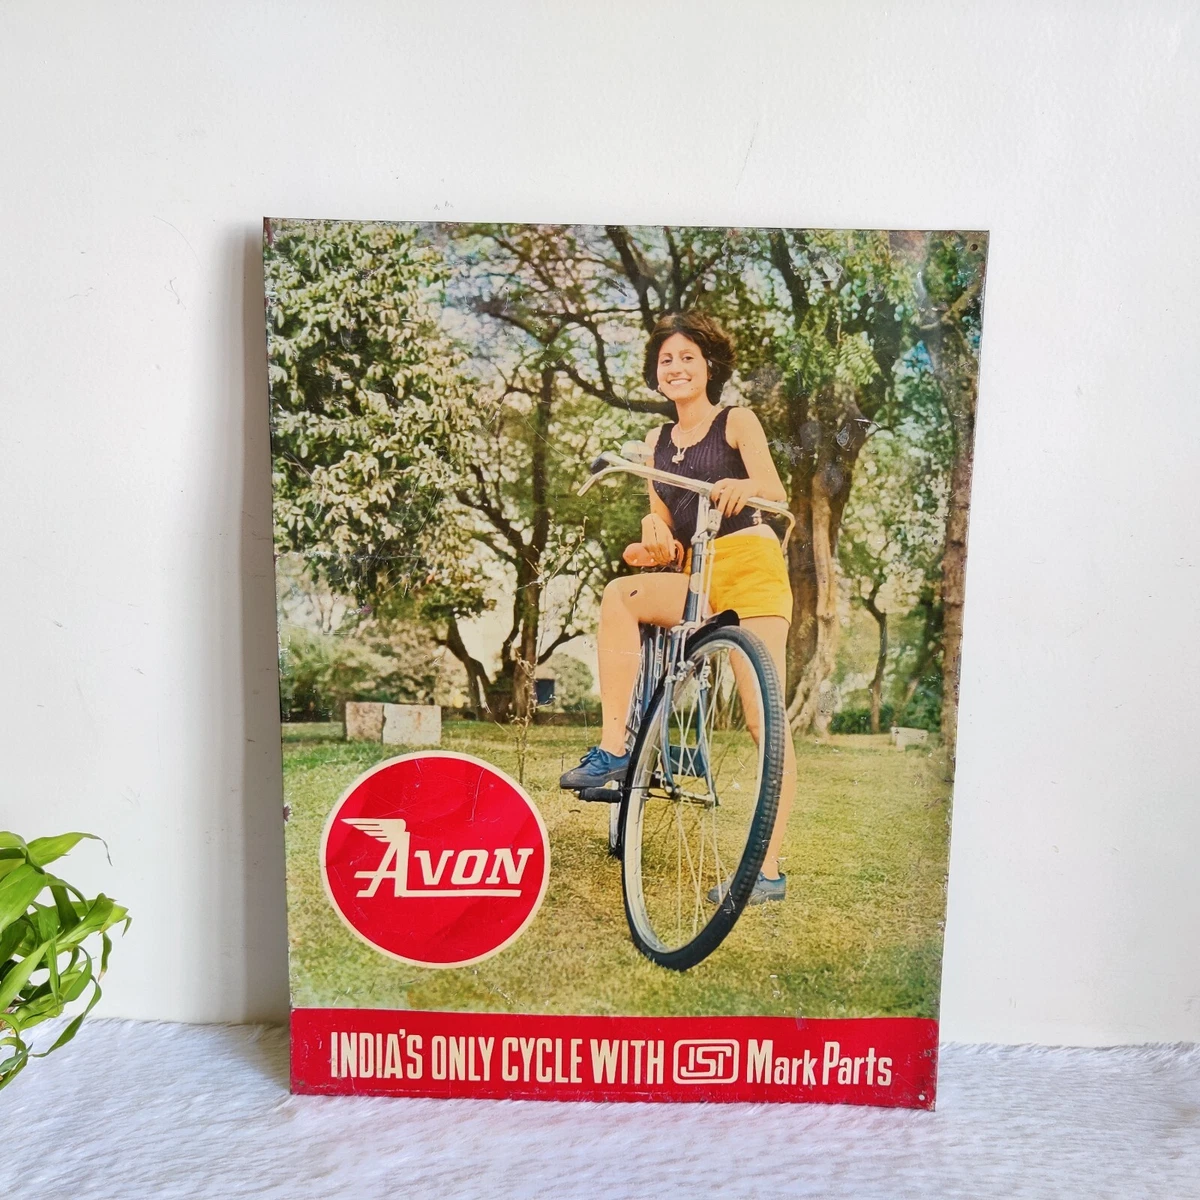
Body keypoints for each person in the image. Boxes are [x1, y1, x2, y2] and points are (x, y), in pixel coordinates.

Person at [559, 312, 797, 904]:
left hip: (750, 565)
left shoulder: (736, 420)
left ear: (709, 366)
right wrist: (653, 531)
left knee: (761, 718)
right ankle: (615, 750)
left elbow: (775, 491)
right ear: (656, 373)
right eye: (667, 359)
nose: (677, 367)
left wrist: (746, 489)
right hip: (698, 573)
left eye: (688, 357)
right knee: (620, 596)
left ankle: (766, 872)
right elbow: (662, 519)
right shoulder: (656, 443)